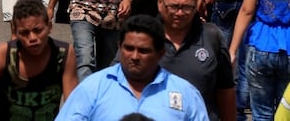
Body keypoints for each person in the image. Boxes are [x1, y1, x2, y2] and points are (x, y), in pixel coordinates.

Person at [55, 15, 210, 121]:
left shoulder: (186, 94)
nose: (134, 57)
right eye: (129, 48)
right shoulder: (92, 88)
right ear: (119, 47)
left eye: (143, 51)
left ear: (160, 53)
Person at [0, 0, 76, 120]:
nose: (32, 38)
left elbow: (73, 106)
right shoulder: (3, 54)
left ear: (49, 27)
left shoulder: (63, 54)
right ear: (15, 32)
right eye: (24, 33)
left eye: (38, 30)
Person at [157, 0, 235, 121]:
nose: (179, 13)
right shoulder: (144, 37)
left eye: (186, 7)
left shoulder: (212, 37)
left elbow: (225, 90)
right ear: (160, 3)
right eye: (173, 7)